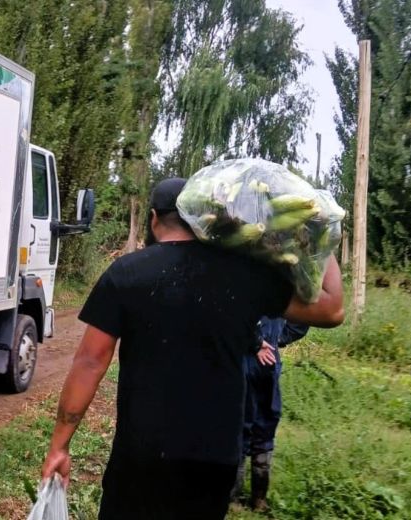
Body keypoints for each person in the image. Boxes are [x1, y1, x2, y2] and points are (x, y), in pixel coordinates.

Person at [40, 178, 344, 519]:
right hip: (215, 459)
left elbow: (90, 363)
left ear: (154, 219)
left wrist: (60, 445)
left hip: (142, 454)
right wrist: (318, 231)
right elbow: (332, 311)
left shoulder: (126, 273)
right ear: (203, 218)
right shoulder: (245, 275)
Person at [232, 317, 310, 512]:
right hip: (244, 362)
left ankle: (259, 499)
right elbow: (234, 317)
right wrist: (257, 343)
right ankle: (233, 498)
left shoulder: (282, 299)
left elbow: (300, 321)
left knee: (266, 425)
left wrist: (277, 339)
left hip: (269, 367)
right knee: (239, 428)